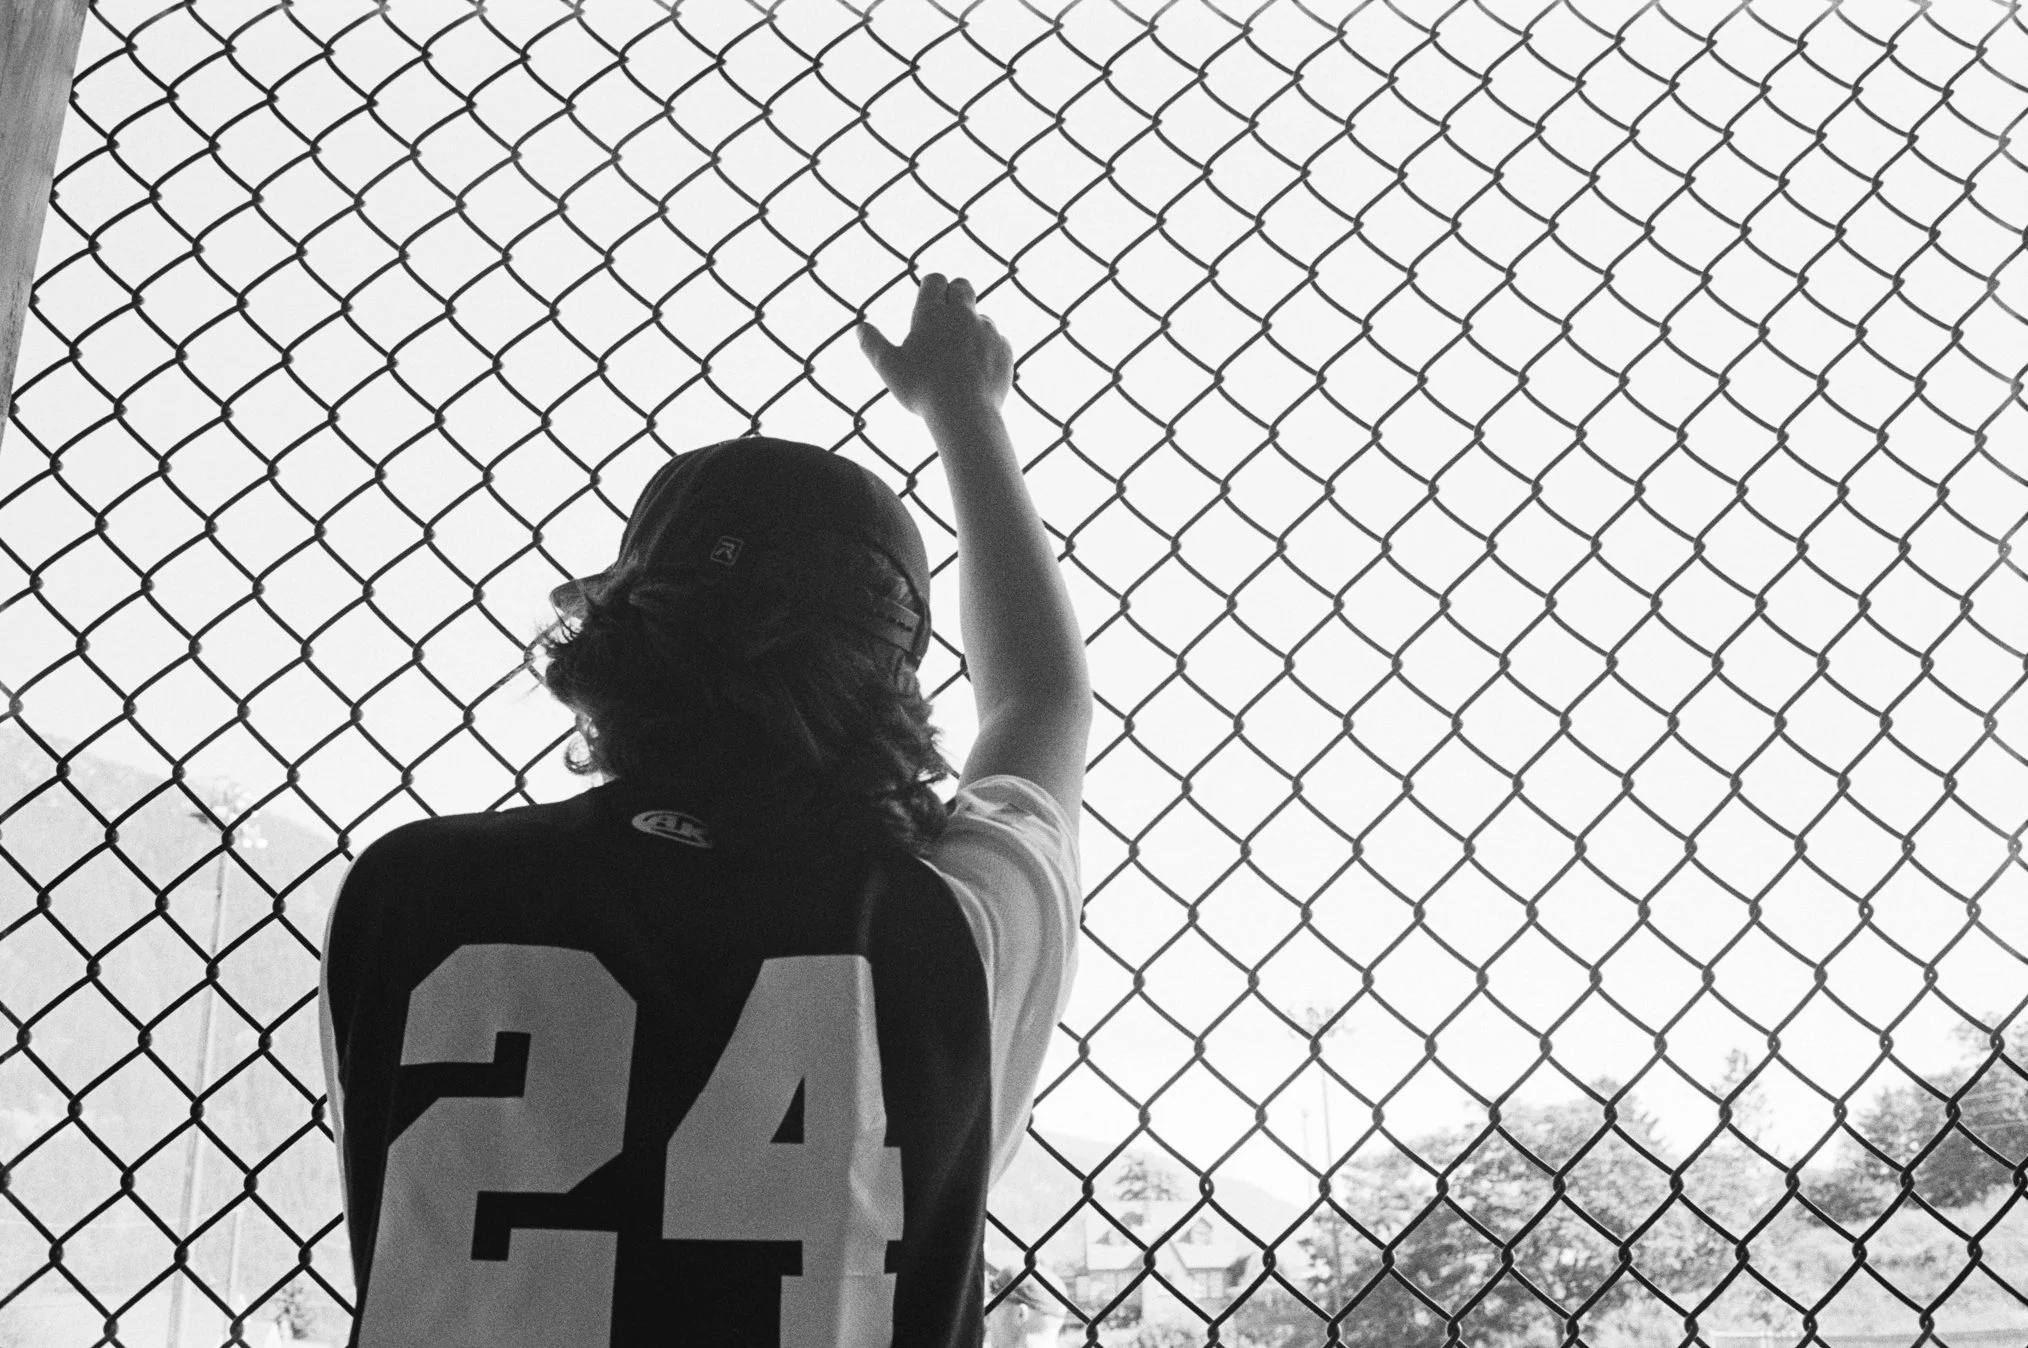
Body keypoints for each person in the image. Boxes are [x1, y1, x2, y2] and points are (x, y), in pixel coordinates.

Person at [317, 274, 1090, 1348]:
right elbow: (1039, 698)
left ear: (614, 647)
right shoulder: (951, 935)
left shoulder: (413, 890)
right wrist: (966, 406)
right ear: (895, 688)